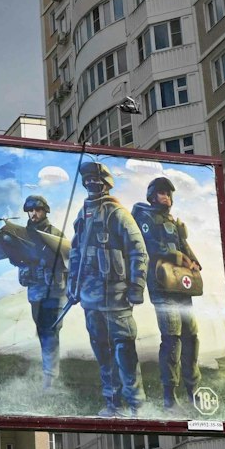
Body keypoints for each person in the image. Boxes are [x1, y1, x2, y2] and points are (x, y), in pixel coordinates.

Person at [64, 160, 147, 416]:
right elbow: (76, 252)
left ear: (106, 183)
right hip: (90, 297)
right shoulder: (83, 213)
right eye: (87, 180)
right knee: (102, 352)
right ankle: (113, 404)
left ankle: (137, 405)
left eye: (95, 180)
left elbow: (138, 252)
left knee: (124, 351)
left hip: (117, 295)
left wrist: (136, 287)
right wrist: (72, 285)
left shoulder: (117, 213)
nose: (91, 184)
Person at [0, 193, 67, 389]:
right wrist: (6, 241)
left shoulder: (55, 234)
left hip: (54, 289)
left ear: (45, 211)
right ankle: (49, 372)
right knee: (41, 329)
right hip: (35, 289)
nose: (34, 214)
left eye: (37, 210)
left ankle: (50, 377)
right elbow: (15, 258)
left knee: (50, 330)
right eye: (30, 211)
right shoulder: (22, 234)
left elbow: (68, 259)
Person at [133, 175, 203, 410]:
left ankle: (193, 389)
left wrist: (193, 260)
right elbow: (149, 244)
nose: (166, 197)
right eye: (162, 192)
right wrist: (178, 256)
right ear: (152, 196)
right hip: (161, 284)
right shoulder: (144, 216)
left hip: (181, 284)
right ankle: (169, 395)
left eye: (169, 193)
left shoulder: (172, 221)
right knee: (172, 337)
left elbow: (183, 244)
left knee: (191, 337)